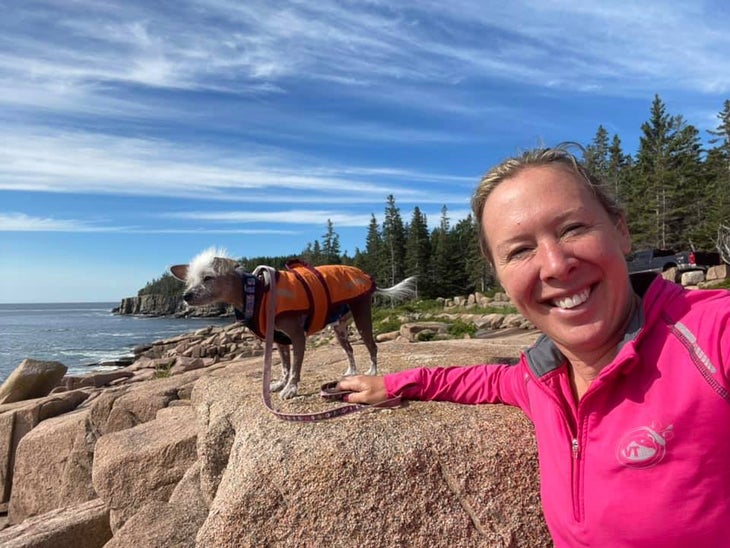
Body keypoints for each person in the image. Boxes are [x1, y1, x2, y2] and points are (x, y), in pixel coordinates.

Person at [338, 144, 730, 547]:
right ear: (499, 277)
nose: (557, 265)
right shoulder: (542, 379)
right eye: (521, 251)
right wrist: (397, 383)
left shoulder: (711, 337)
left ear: (621, 230)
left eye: (573, 229)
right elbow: (488, 381)